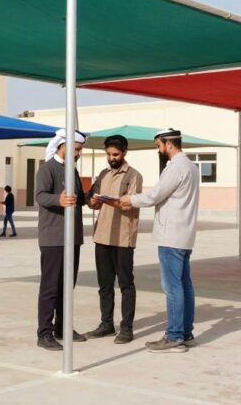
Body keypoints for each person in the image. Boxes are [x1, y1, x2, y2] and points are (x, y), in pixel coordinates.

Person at [120, 128, 200, 354]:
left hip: (172, 235)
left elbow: (155, 195)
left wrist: (130, 199)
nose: (159, 150)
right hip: (183, 234)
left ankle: (175, 337)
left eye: (159, 145)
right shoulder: (191, 167)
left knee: (172, 287)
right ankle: (185, 333)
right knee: (184, 285)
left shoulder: (176, 167)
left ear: (168, 143)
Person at [85, 135, 144, 344]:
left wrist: (110, 202)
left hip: (123, 239)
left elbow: (130, 205)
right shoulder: (103, 175)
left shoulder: (134, 176)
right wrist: (93, 201)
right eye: (109, 154)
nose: (112, 158)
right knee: (104, 285)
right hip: (102, 236)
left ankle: (126, 328)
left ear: (125, 152)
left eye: (116, 154)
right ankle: (106, 324)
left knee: (126, 284)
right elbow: (92, 203)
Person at [35, 128, 88, 351]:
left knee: (68, 285)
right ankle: (44, 333)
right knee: (51, 287)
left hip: (72, 237)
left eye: (80, 151)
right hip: (54, 237)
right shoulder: (47, 169)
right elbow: (39, 196)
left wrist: (91, 198)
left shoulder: (71, 170)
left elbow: (79, 199)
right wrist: (59, 199)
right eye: (75, 150)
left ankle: (62, 327)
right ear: (62, 146)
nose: (78, 154)